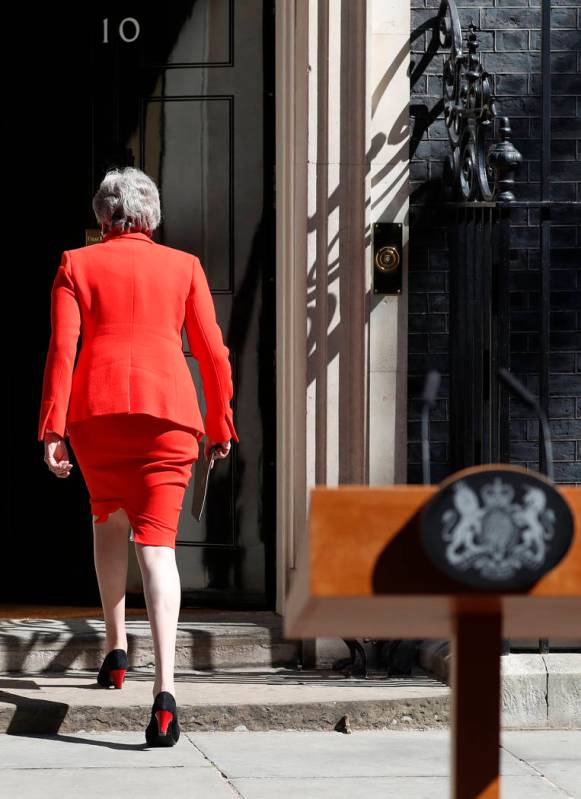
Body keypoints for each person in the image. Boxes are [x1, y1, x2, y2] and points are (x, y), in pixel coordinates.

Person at [38, 166, 239, 746]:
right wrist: (221, 421)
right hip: (169, 418)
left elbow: (61, 349)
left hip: (96, 417)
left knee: (106, 518)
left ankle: (114, 649)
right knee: (157, 547)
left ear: (103, 217)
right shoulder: (185, 267)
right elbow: (212, 352)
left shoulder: (77, 264)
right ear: (152, 216)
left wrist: (52, 427)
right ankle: (166, 694)